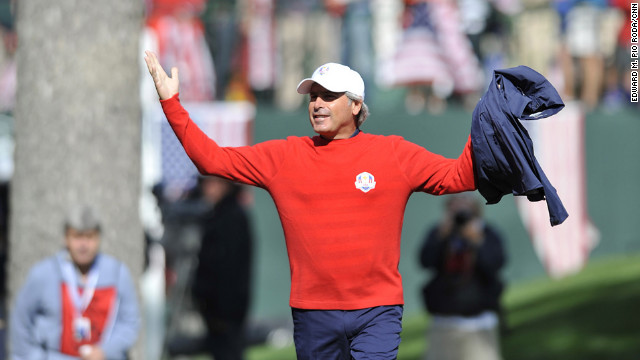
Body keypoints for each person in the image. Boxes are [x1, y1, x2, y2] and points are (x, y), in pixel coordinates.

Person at [144, 50, 476, 359]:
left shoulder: (393, 153)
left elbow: (458, 176)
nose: (317, 103)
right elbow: (211, 160)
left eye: (328, 96)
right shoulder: (285, 156)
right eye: (313, 96)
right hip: (313, 314)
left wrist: (489, 128)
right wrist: (171, 102)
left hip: (377, 311)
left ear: (356, 105)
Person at [10, 205, 141, 360]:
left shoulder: (117, 273)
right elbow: (21, 320)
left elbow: (130, 322)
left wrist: (105, 351)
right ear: (66, 238)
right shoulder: (44, 273)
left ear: (98, 238)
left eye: (90, 237)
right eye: (77, 237)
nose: (83, 245)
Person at [419, 193, 506, 360]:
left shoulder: (486, 233)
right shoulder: (440, 234)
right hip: (444, 321)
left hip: (479, 321)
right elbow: (425, 261)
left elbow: (496, 264)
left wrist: (477, 242)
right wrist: (440, 237)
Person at [191, 176, 253, 360]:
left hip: (226, 313)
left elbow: (230, 269)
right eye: (205, 183)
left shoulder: (232, 217)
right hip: (215, 311)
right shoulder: (216, 215)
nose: (207, 188)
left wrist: (222, 309)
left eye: (213, 183)